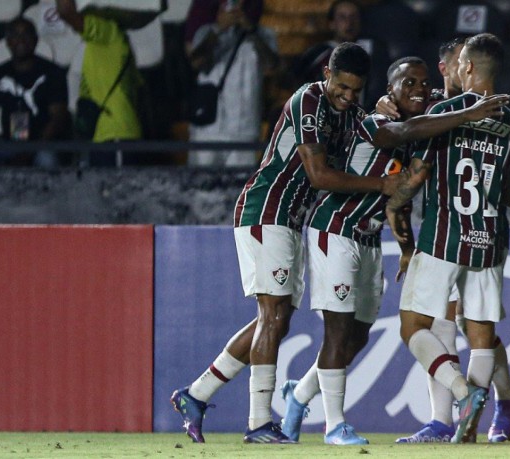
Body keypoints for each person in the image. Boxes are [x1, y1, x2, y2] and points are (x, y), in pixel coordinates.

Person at [169, 42, 401, 444]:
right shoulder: (308, 99)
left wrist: (382, 103)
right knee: (273, 316)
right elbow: (318, 175)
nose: (347, 97)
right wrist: (381, 184)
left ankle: (196, 394)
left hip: (291, 221)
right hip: (266, 211)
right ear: (327, 73)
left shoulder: (348, 114)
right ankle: (259, 423)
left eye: (355, 91)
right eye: (341, 87)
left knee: (274, 319)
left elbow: (371, 126)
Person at [277, 56, 509, 445]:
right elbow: (403, 131)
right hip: (334, 230)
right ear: (390, 90)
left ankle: (297, 397)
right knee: (337, 331)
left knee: (357, 337)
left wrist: (406, 247)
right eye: (409, 83)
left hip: (369, 238)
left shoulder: (419, 122)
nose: (419, 89)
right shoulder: (377, 123)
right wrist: (467, 113)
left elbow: (397, 201)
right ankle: (334, 426)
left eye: (424, 83)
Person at [385, 33, 510, 444]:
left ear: (466, 67)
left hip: (443, 238)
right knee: (480, 333)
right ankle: (466, 431)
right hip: (489, 237)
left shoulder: (446, 113)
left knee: (413, 325)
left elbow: (416, 174)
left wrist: (395, 204)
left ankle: (465, 394)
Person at [185, 0, 280, 167]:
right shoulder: (206, 32)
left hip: (244, 128)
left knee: (238, 187)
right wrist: (218, 29)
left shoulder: (263, 34)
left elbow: (272, 65)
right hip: (207, 127)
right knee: (201, 187)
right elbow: (196, 63)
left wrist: (250, 30)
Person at [56, 0, 143, 165]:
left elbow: (66, 11)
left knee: (118, 188)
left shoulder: (107, 31)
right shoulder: (117, 39)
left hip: (114, 133)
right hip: (110, 134)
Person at [0, 17, 69, 167]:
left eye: (26, 35)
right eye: (15, 35)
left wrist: (29, 151)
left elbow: (58, 118)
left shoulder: (53, 73)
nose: (21, 40)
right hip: (11, 144)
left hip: (44, 146)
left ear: (35, 40)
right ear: (8, 42)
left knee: (47, 160)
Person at [293, 0, 361, 86]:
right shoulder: (316, 55)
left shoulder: (371, 54)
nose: (349, 23)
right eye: (342, 17)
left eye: (353, 17)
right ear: (331, 24)